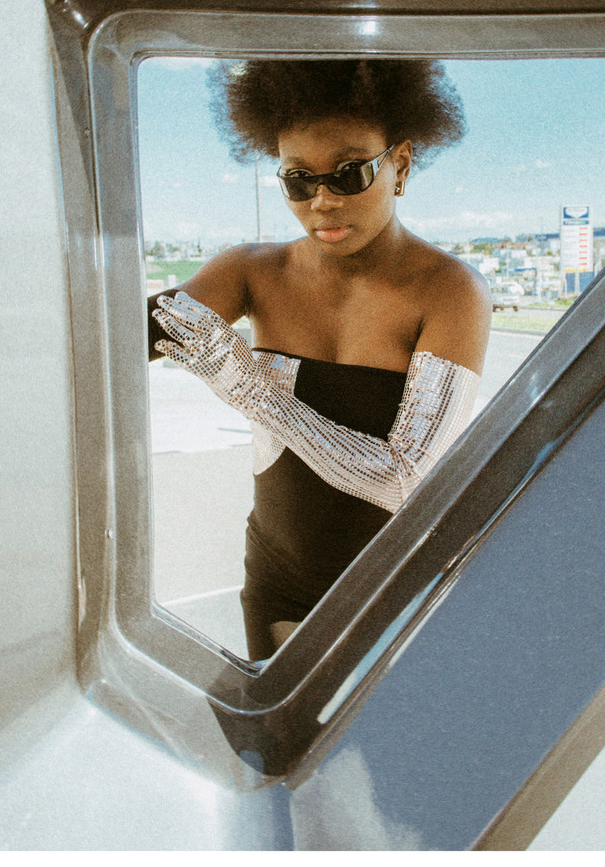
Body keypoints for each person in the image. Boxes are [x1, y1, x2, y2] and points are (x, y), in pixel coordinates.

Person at [149, 59, 491, 660]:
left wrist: (244, 383)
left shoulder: (449, 290)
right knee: (284, 724)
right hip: (277, 579)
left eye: (350, 173)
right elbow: (113, 339)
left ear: (400, 164)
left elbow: (402, 479)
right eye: (299, 180)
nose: (323, 201)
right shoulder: (251, 271)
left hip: (398, 584)